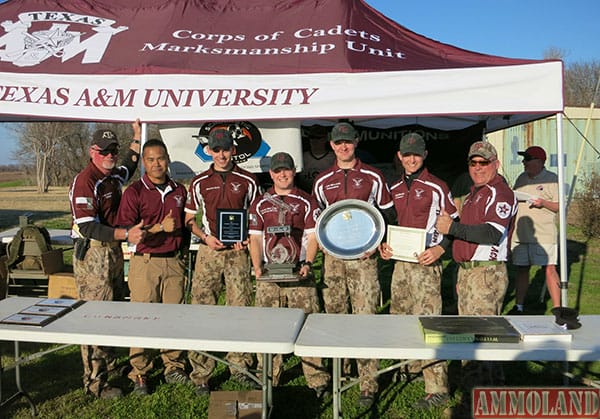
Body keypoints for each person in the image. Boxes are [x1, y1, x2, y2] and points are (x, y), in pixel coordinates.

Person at [312, 122, 394, 409]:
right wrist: (321, 242)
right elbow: (319, 219)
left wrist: (378, 243)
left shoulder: (373, 176)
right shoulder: (322, 180)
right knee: (335, 316)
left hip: (364, 260)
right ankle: (339, 372)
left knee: (365, 317)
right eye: (338, 142)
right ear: (331, 145)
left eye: (348, 141)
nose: (343, 146)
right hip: (333, 261)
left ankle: (368, 383)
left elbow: (386, 214)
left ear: (356, 142)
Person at [378, 133, 458, 410]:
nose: (411, 159)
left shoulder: (437, 186)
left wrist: (440, 250)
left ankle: (438, 386)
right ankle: (410, 369)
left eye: (416, 154)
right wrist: (384, 246)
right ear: (399, 156)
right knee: (400, 318)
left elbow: (452, 223)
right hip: (401, 264)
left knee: (430, 324)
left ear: (424, 155)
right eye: (406, 154)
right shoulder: (395, 187)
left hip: (426, 263)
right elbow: (389, 223)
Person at [436, 141, 517, 408]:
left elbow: (492, 234)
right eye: (474, 163)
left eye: (484, 162)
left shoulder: (501, 192)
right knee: (473, 336)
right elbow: (459, 226)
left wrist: (452, 228)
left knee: (482, 338)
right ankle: (487, 393)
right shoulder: (474, 193)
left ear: (496, 163)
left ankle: (481, 399)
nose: (478, 168)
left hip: (486, 273)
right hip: (469, 273)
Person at [69, 121, 145, 399]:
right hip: (93, 253)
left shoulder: (112, 176)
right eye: (104, 151)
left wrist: (136, 137)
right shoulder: (85, 180)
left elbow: (129, 165)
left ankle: (110, 366)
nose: (110, 155)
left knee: (113, 310)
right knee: (95, 316)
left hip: (112, 251)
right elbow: (88, 226)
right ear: (92, 151)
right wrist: (126, 233)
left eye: (113, 150)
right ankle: (94, 383)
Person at [248, 152, 331, 398]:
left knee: (308, 325)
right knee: (266, 326)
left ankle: (317, 378)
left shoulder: (306, 201)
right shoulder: (261, 203)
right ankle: (267, 376)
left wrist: (307, 262)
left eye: (287, 170)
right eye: (277, 171)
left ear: (293, 171)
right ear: (271, 174)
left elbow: (313, 236)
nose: (283, 174)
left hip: (299, 273)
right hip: (269, 275)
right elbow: (255, 238)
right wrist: (257, 266)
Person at [184, 128, 260, 395]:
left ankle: (239, 366)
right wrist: (205, 238)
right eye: (216, 150)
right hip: (209, 251)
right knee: (202, 308)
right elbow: (188, 220)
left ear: (233, 150)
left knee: (239, 308)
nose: (221, 154)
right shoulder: (198, 182)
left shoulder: (248, 180)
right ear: (209, 151)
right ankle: (201, 372)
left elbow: (255, 217)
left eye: (226, 149)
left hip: (238, 253)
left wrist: (248, 238)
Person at [115, 139, 189, 395]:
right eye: (151, 159)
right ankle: (140, 371)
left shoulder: (179, 190)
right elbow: (127, 232)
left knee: (174, 317)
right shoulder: (134, 192)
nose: (157, 164)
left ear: (167, 159)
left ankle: (173, 365)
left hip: (174, 261)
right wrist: (158, 228)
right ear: (144, 163)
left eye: (161, 158)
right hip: (145, 263)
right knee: (142, 318)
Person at [509, 145, 561, 314]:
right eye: (524, 159)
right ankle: (519, 306)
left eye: (528, 159)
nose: (524, 162)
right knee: (522, 269)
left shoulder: (552, 179)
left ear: (540, 162)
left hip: (544, 234)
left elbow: (558, 206)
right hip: (521, 233)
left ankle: (558, 308)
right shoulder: (521, 178)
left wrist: (542, 203)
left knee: (549, 268)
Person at [297, 124, 335, 193]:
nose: (315, 141)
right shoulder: (302, 157)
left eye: (318, 138)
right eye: (312, 137)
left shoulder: (334, 158)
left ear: (325, 139)